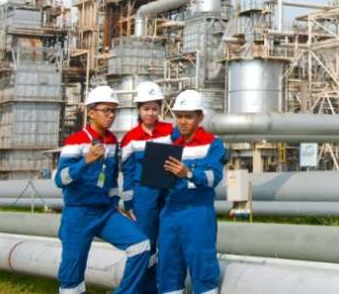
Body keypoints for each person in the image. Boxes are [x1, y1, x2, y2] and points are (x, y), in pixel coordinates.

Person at [55, 85, 150, 294]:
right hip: (78, 213)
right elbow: (60, 179)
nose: (111, 115)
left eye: (114, 111)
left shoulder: (112, 141)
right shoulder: (76, 141)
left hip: (105, 212)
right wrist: (85, 161)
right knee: (71, 276)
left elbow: (112, 179)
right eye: (106, 110)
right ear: (91, 112)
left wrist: (116, 204)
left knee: (141, 245)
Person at [157, 89, 225, 294]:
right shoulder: (168, 143)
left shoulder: (213, 143)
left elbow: (214, 177)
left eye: (188, 116)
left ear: (200, 117)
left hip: (198, 211)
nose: (183, 121)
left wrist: (188, 173)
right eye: (179, 116)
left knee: (202, 267)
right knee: (168, 268)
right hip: (170, 211)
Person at [119, 80, 174, 294]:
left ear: (160, 109)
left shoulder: (170, 131)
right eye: (146, 109)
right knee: (147, 241)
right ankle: (147, 288)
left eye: (154, 108)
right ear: (139, 110)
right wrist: (129, 202)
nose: (150, 113)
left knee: (168, 240)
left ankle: (167, 286)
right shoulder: (130, 138)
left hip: (168, 192)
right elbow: (128, 172)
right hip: (143, 196)